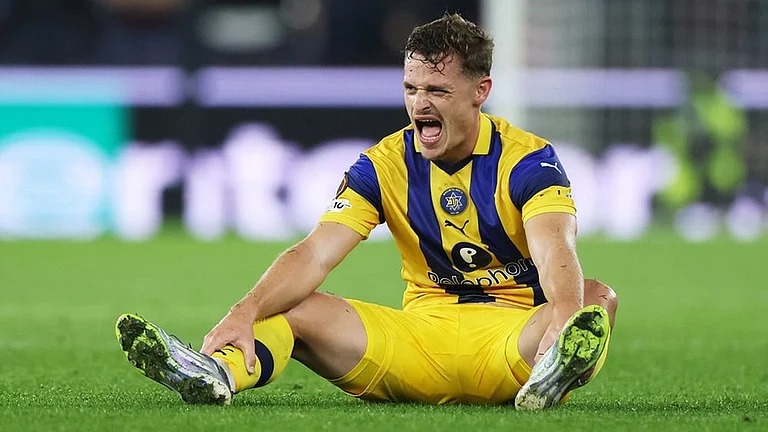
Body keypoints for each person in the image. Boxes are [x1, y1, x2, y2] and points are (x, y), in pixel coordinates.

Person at [115, 13, 618, 410]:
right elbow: (314, 254)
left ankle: (553, 373)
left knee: (595, 298)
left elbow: (555, 250)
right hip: (419, 345)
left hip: (518, 342)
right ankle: (217, 375)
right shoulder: (382, 165)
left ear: (480, 92)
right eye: (411, 88)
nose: (420, 104)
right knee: (292, 306)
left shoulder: (528, 159)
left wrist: (564, 318)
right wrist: (243, 311)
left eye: (437, 91)